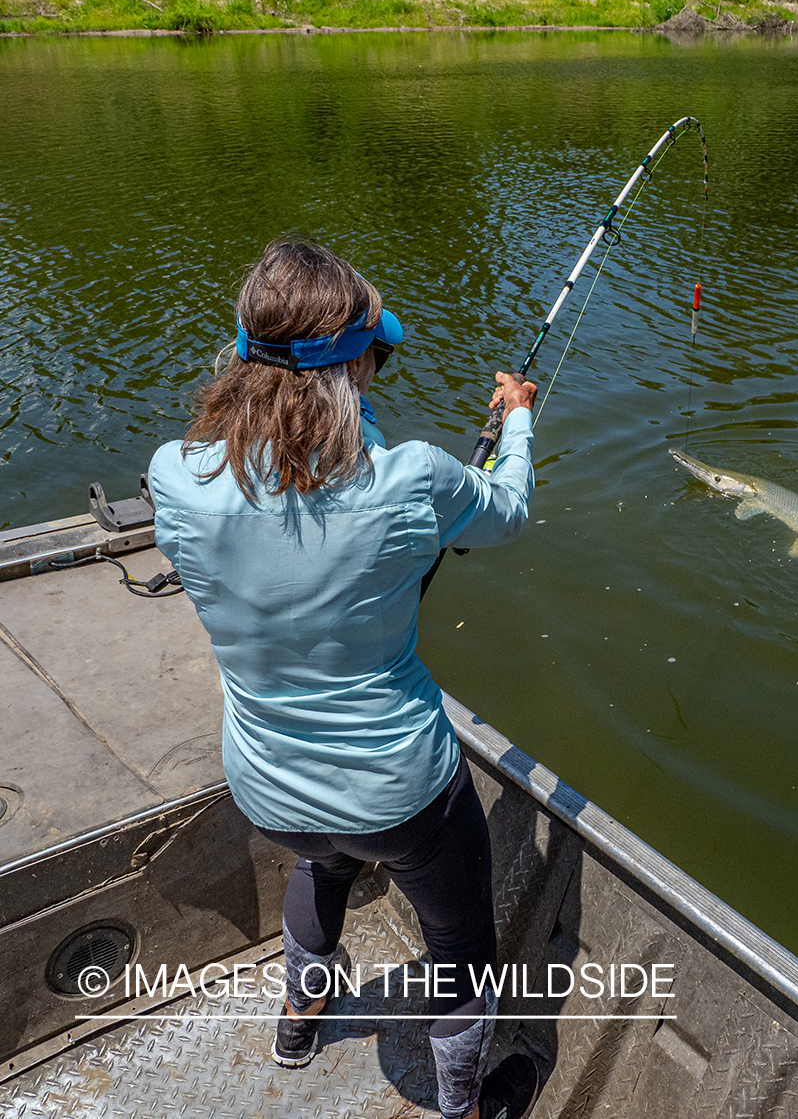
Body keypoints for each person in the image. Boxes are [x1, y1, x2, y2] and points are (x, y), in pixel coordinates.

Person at [148, 236, 540, 1119]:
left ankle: (297, 1019)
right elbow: (507, 512)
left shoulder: (176, 476)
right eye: (375, 352)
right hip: (404, 795)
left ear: (244, 353)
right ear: (352, 367)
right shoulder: (415, 479)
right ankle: (464, 1106)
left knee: (321, 865)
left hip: (267, 786)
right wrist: (514, 417)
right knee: (460, 948)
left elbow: (275, 496)